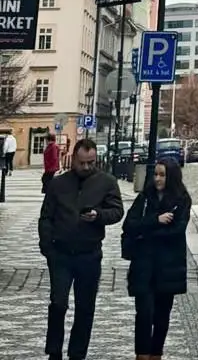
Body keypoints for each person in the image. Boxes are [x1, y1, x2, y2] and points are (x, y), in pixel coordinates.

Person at [38, 136, 124, 360]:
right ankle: (54, 351)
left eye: (91, 162)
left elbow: (117, 211)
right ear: (73, 159)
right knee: (58, 303)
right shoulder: (59, 183)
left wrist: (98, 216)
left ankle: (77, 354)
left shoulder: (106, 182)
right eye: (82, 162)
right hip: (61, 254)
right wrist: (47, 247)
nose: (86, 167)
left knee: (85, 308)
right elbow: (46, 216)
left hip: (89, 254)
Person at [122, 158, 190, 360]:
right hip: (143, 266)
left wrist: (146, 234)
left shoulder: (181, 199)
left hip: (169, 266)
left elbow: (176, 231)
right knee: (144, 313)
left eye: (162, 175)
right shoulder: (145, 198)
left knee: (161, 316)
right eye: (156, 174)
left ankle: (156, 354)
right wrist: (155, 221)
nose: (158, 179)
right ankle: (141, 355)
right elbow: (130, 225)